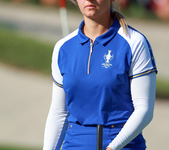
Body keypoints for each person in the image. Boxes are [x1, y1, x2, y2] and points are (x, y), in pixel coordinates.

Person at [43, 0, 157, 150]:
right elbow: (59, 113)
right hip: (74, 144)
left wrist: (113, 147)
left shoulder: (134, 42)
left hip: (122, 145)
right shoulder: (62, 47)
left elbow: (144, 109)